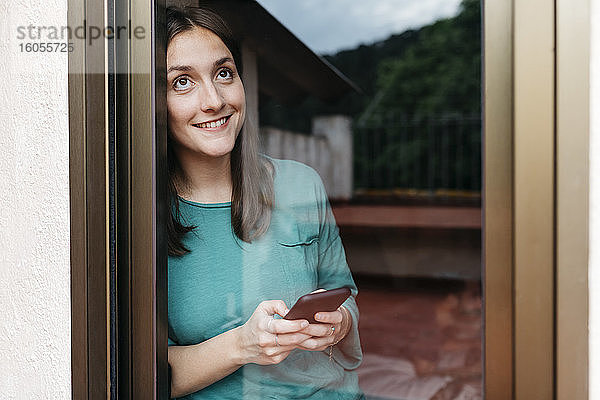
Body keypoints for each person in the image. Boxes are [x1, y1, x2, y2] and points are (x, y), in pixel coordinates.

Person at [166, 6, 363, 399]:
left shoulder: (301, 184)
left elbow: (344, 292)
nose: (214, 100)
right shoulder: (138, 214)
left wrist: (339, 321)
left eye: (224, 73)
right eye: (182, 82)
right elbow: (142, 376)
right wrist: (242, 345)